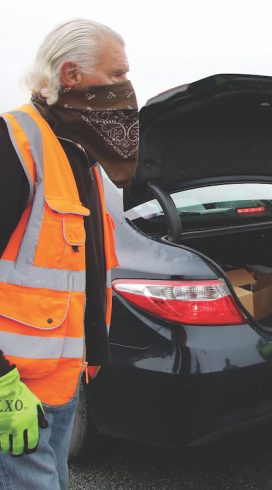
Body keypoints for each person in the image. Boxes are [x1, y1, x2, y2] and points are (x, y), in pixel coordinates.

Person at [0, 19, 136, 489]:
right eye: (117, 75)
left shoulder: (79, 152)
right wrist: (1, 385)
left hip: (64, 378)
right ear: (72, 75)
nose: (127, 87)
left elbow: (82, 268)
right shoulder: (16, 141)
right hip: (17, 388)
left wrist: (90, 352)